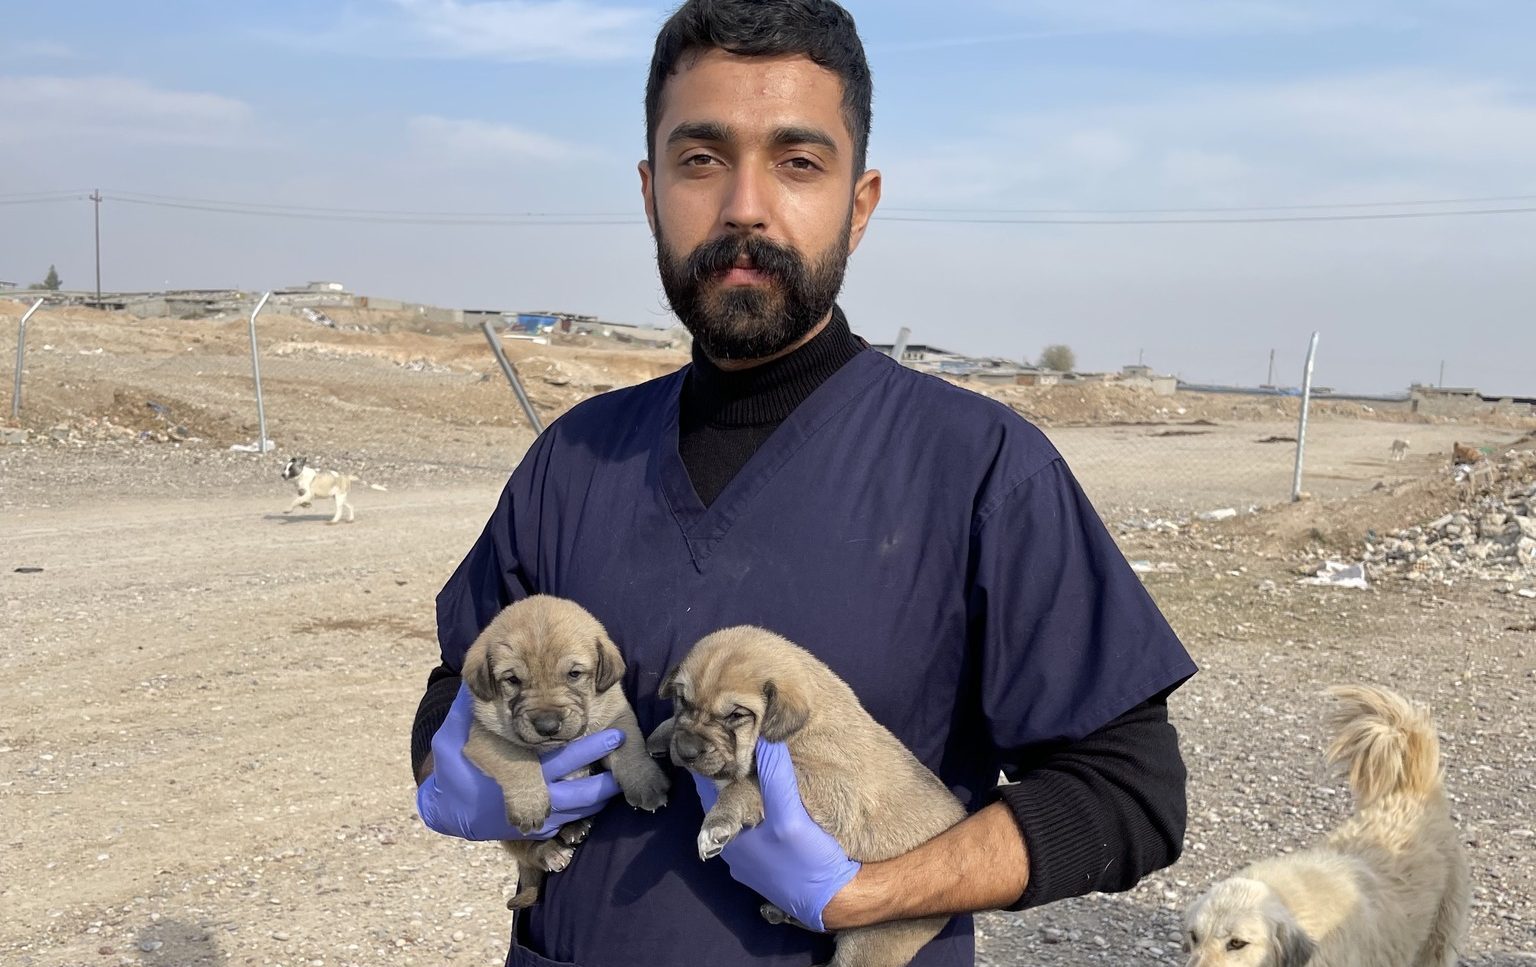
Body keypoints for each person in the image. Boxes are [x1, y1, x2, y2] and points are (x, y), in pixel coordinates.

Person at [411, 1, 1197, 964]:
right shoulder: (572, 461)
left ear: (858, 205)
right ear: (652, 190)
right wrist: (444, 762)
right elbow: (458, 677)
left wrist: (874, 891)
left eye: (797, 162)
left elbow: (1130, 787)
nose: (745, 205)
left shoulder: (983, 470)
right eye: (702, 159)